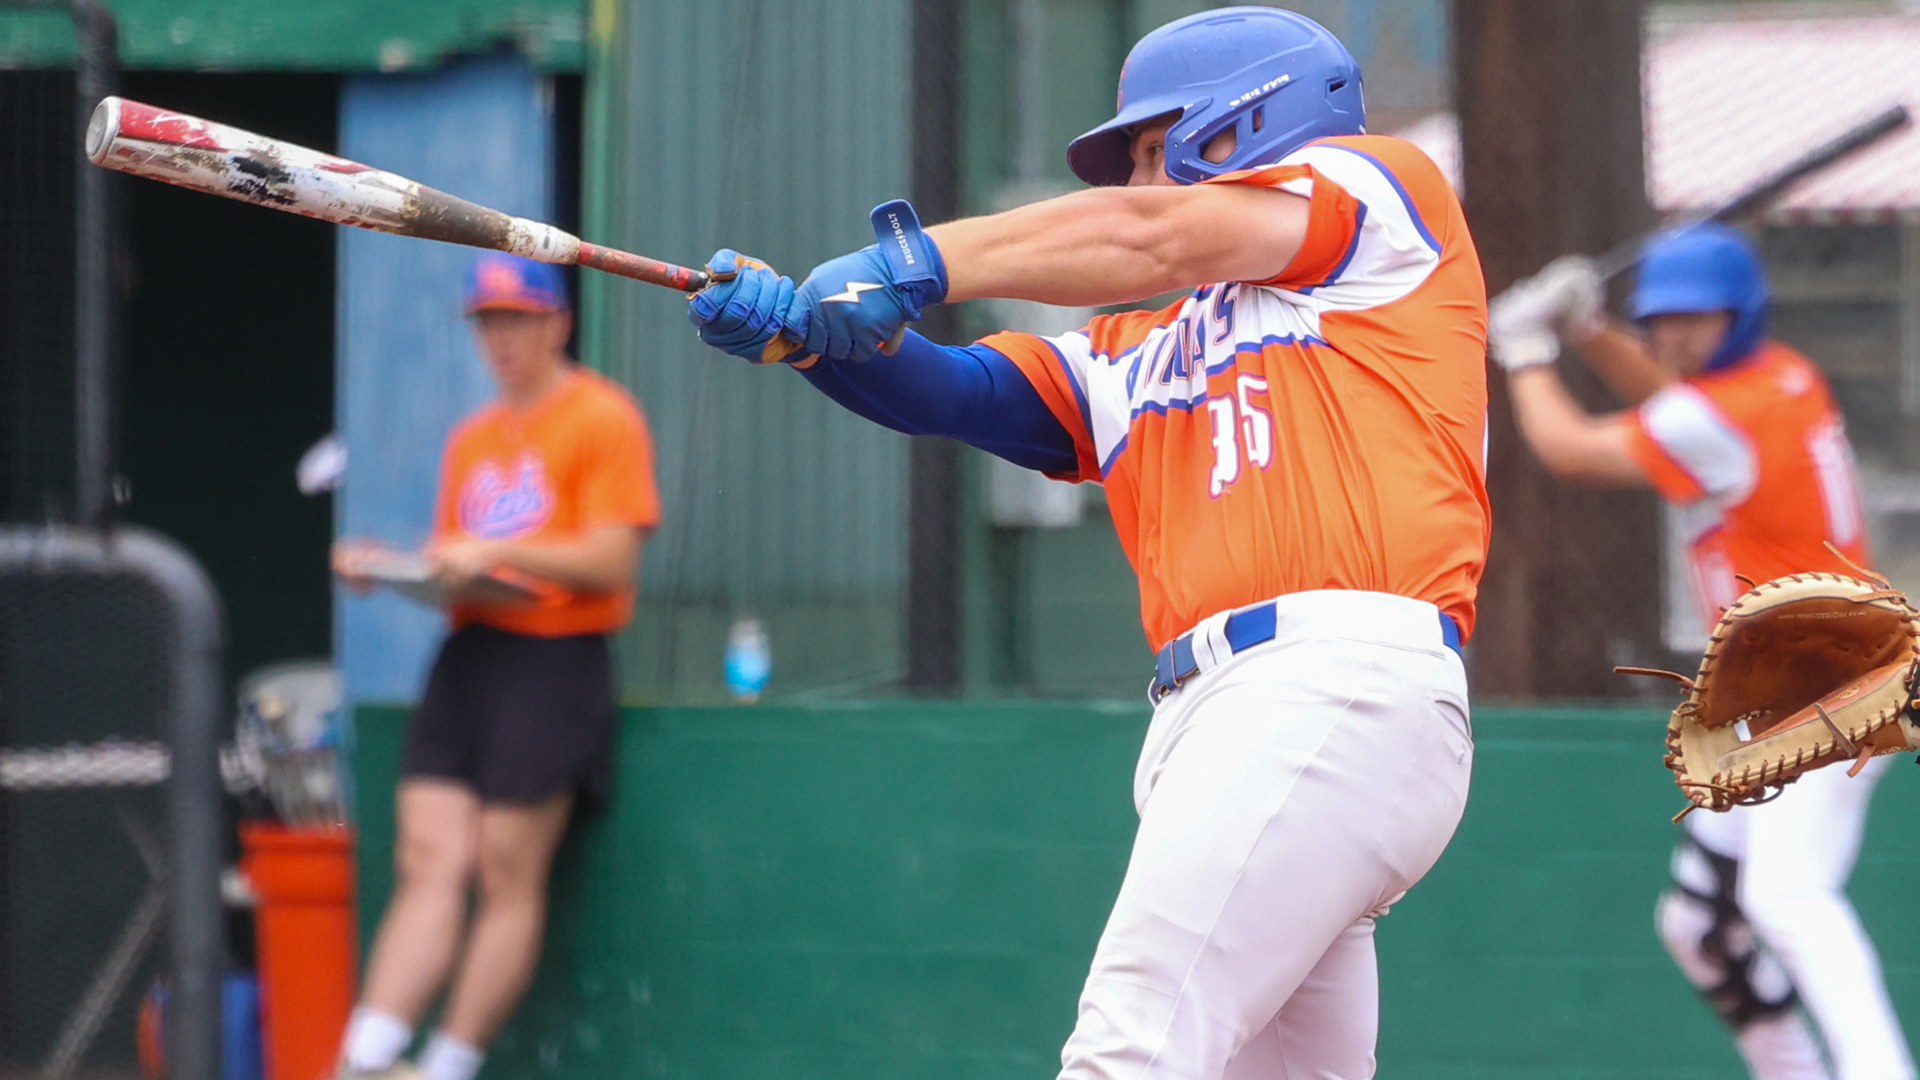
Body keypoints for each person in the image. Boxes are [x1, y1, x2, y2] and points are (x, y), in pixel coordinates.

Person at [688, 7, 1488, 1077]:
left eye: (1156, 148)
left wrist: (907, 262)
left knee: (1131, 1049)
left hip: (1327, 686)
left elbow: (1148, 238)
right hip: (1234, 721)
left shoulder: (1384, 201)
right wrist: (808, 337)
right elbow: (960, 392)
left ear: (1251, 120)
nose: (1135, 183)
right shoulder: (1143, 347)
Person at [1490, 223, 1913, 1080]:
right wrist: (1588, 332)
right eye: (1660, 318)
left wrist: (1525, 349)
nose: (1674, 333)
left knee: (1785, 898)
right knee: (1700, 926)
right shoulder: (1779, 378)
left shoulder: (1720, 413)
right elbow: (1675, 410)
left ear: (1741, 312)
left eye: (1696, 317)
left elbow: (1572, 451)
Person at [330, 254, 662, 1080]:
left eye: (517, 319)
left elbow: (611, 559)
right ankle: (362, 1058)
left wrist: (496, 549)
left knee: (507, 871)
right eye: (489, 322)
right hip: (470, 655)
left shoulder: (603, 416)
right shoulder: (472, 438)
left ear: (557, 322)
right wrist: (397, 568)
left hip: (557, 659)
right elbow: (463, 566)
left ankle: (447, 1066)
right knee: (428, 858)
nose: (502, 338)